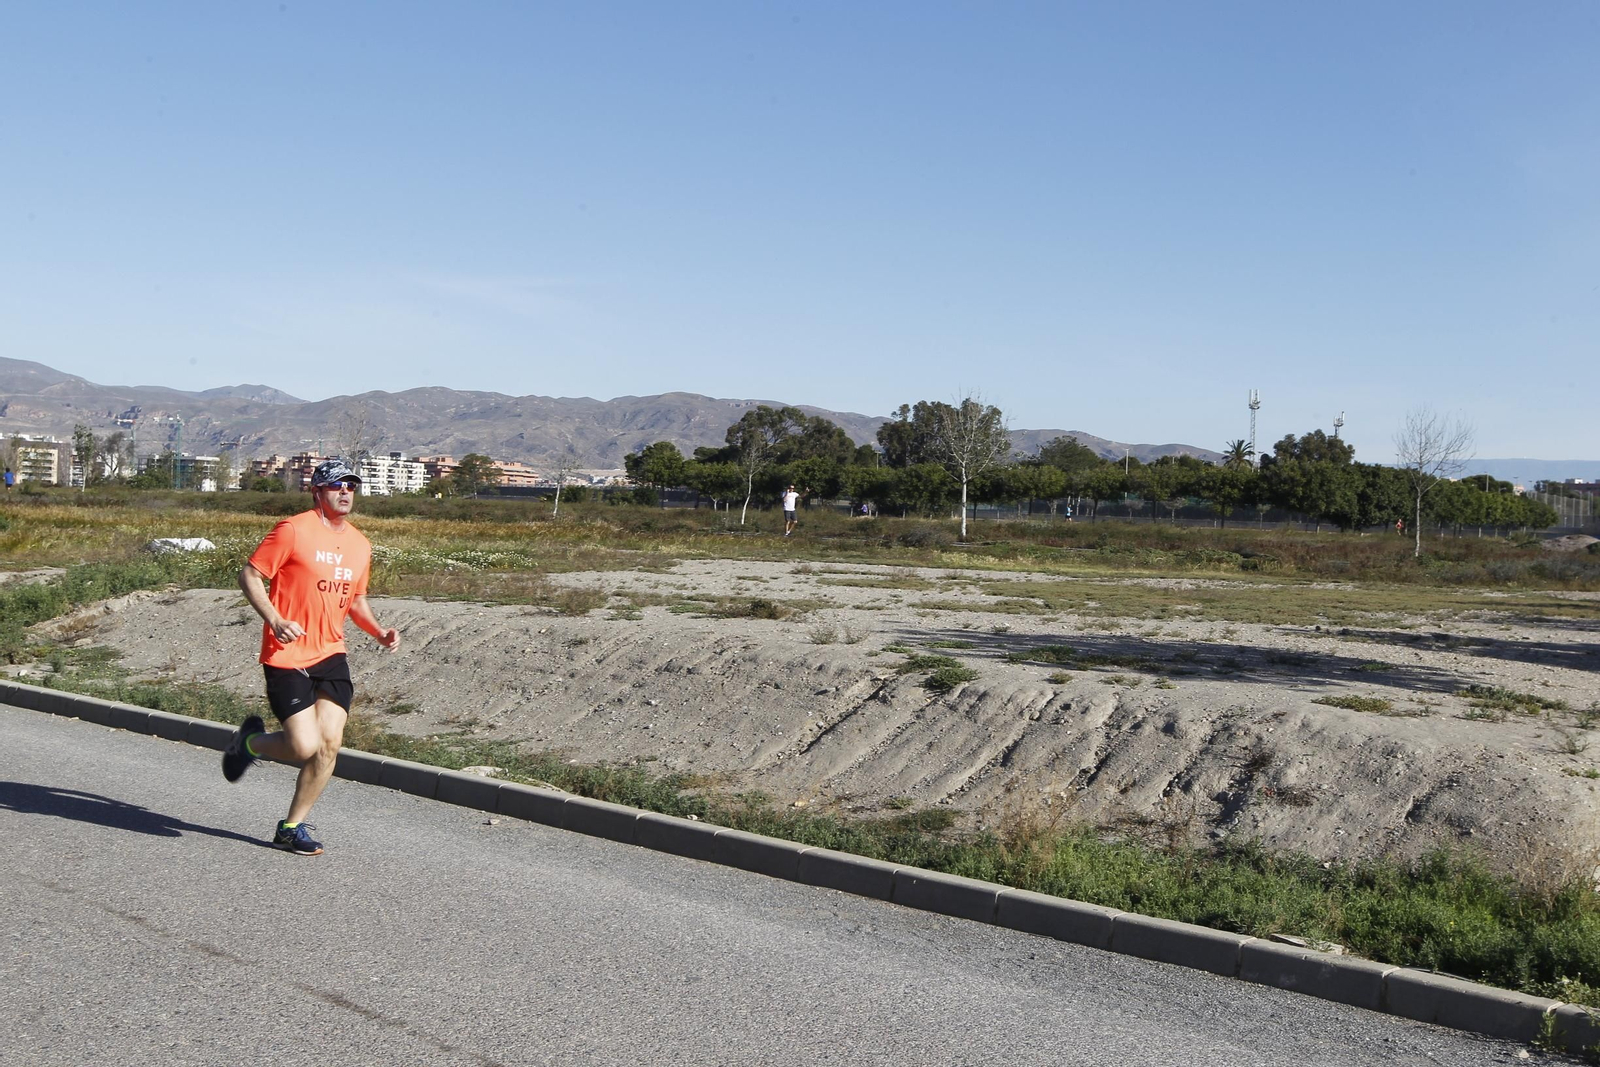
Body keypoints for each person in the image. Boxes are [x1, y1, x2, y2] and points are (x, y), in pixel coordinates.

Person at [222, 459, 400, 855]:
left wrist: (379, 631)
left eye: (351, 487)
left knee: (329, 744)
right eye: (337, 486)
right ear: (317, 491)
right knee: (303, 746)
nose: (346, 493)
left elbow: (356, 599)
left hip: (332, 653)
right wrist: (274, 618)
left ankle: (290, 827)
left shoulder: (360, 543)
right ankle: (249, 744)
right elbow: (249, 575)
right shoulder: (293, 529)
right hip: (288, 653)